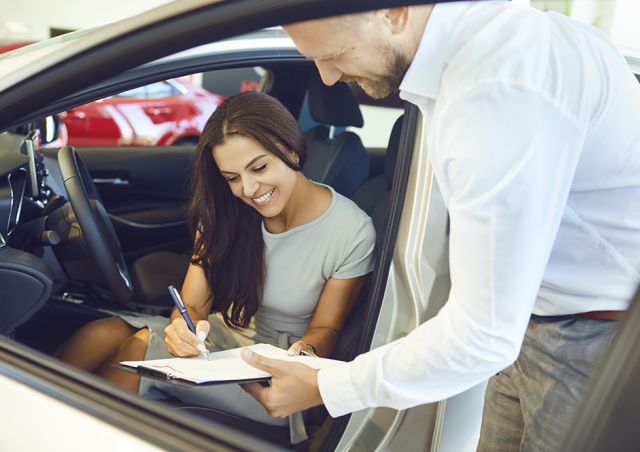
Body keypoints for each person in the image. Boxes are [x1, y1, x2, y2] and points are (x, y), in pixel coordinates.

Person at [239, 2, 640, 451]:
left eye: (334, 54)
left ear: (395, 12)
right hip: (535, 322)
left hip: (595, 342)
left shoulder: (495, 91)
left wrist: (325, 386)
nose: (328, 78)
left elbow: (483, 334)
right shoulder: (476, 59)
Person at [54, 91, 376, 444]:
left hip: (277, 367)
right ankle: (37, 418)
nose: (249, 189)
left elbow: (327, 328)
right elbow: (191, 305)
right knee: (100, 331)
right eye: (232, 177)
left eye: (259, 167)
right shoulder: (227, 212)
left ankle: (68, 441)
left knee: (139, 345)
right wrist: (182, 328)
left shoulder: (351, 231)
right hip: (224, 337)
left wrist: (306, 355)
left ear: (292, 150)